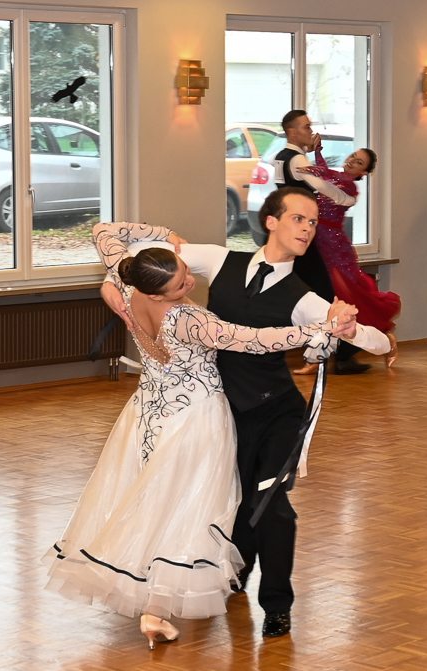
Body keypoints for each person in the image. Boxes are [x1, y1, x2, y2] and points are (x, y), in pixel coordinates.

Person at [96, 190, 392, 639]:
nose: (308, 228)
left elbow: (379, 342)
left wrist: (351, 329)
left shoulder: (304, 297)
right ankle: (235, 575)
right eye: (299, 218)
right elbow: (141, 263)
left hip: (276, 412)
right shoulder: (219, 259)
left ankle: (276, 604)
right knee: (234, 503)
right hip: (221, 414)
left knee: (271, 506)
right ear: (271, 221)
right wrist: (111, 284)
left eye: (313, 222)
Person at [270, 110, 371, 374]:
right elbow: (321, 184)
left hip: (290, 236)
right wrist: (346, 199)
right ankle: (339, 353)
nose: (311, 131)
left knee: (301, 294)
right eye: (306, 126)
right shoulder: (297, 158)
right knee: (325, 296)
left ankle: (330, 354)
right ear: (293, 132)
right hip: (301, 238)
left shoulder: (280, 156)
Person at [291, 147, 402, 370]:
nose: (352, 161)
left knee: (347, 296)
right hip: (317, 243)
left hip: (334, 248)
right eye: (353, 157)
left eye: (359, 162)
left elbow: (327, 175)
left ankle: (376, 341)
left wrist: (312, 168)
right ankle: (328, 356)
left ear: (364, 172)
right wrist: (318, 153)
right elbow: (327, 173)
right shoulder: (336, 180)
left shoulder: (349, 186)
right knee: (324, 299)